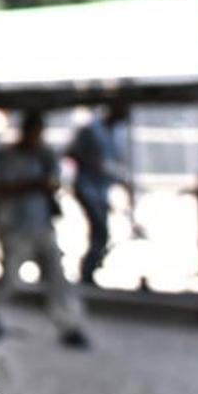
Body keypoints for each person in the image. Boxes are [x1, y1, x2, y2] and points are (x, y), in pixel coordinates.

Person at [0, 112, 89, 349]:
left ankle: (69, 325)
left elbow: (54, 183)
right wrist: (34, 183)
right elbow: (0, 187)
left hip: (42, 225)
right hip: (15, 226)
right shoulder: (6, 155)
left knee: (58, 278)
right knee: (10, 279)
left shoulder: (45, 155)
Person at [67, 102, 130, 284]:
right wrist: (92, 162)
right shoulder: (91, 129)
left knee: (102, 233)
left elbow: (113, 165)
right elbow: (72, 152)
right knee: (100, 230)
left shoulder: (116, 134)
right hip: (87, 187)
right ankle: (87, 272)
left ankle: (90, 269)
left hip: (102, 190)